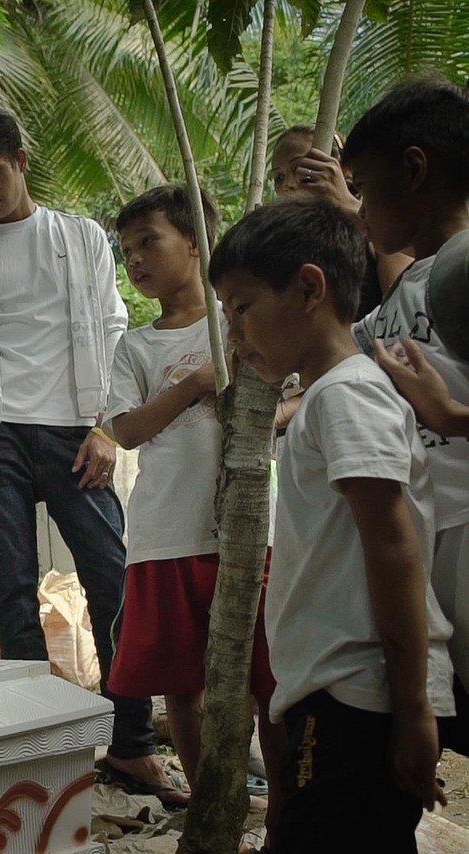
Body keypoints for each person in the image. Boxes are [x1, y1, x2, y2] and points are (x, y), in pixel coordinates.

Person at [0, 108, 179, 801]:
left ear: (20, 160)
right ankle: (41, 748)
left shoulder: (79, 237)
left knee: (110, 579)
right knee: (12, 590)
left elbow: (111, 325)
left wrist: (106, 427)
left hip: (76, 428)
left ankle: (132, 744)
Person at [212, 198, 454, 851]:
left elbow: (394, 548)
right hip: (343, 691)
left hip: (358, 693)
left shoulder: (346, 394)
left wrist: (411, 707)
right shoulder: (330, 395)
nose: (234, 335)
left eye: (242, 307)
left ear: (309, 288)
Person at [105, 186, 282, 828]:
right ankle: (212, 807)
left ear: (196, 241)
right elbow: (125, 430)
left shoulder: (244, 323)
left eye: (148, 242)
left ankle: (284, 810)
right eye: (127, 251)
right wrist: (194, 385)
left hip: (251, 531)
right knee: (183, 683)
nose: (135, 260)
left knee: (269, 679)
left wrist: (258, 411)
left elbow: (291, 398)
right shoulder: (135, 347)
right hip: (166, 532)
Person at [344, 76, 469, 755]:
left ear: (415, 169)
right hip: (434, 531)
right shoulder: (406, 289)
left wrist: (451, 417)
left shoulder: (462, 269)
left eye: (363, 188)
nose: (359, 210)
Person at [270, 124, 412, 318]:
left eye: (300, 168)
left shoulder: (381, 226)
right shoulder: (281, 244)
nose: (287, 184)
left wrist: (343, 202)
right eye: (279, 177)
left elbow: (404, 314)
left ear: (340, 167)